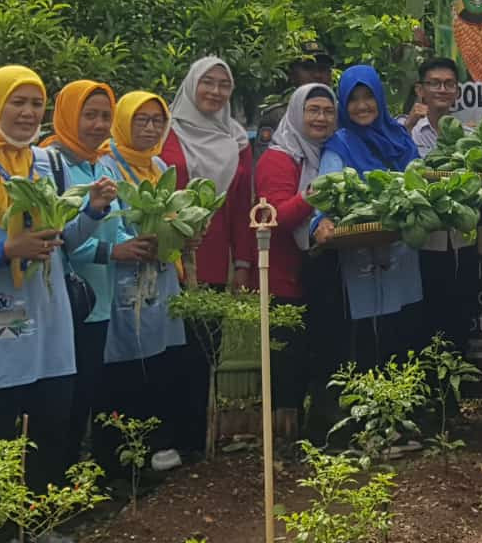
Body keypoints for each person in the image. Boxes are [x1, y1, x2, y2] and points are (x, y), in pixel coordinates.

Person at [0, 66, 115, 499]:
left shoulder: (43, 163)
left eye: (36, 104)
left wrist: (94, 212)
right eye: (18, 102)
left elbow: (63, 241)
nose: (28, 113)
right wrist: (6, 249)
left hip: (50, 314)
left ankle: (43, 516)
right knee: (6, 425)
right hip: (5, 313)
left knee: (52, 418)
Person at [162, 55, 254, 460]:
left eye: (224, 85)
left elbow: (239, 207)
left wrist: (243, 263)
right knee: (165, 353)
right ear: (191, 85)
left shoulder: (236, 140)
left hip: (214, 260)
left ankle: (193, 444)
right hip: (166, 260)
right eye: (207, 83)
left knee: (203, 354)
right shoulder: (165, 131)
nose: (215, 92)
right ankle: (158, 441)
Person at [98, 92, 189, 475]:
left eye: (157, 120)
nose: (151, 127)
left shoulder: (157, 164)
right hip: (123, 282)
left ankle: (153, 453)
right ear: (123, 121)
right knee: (123, 373)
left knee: (159, 365)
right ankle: (117, 464)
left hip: (160, 278)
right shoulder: (107, 164)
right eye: (141, 120)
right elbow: (110, 224)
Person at [318, 64, 424, 367]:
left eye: (368, 96)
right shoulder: (339, 143)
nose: (362, 105)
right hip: (359, 255)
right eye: (353, 99)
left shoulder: (400, 139)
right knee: (367, 340)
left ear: (379, 97)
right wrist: (320, 220)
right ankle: (369, 411)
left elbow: (419, 182)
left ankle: (403, 408)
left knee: (404, 333)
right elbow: (326, 189)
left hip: (402, 253)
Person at [254, 83, 339, 442]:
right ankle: (284, 438)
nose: (320, 118)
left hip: (321, 270)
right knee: (288, 359)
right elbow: (272, 216)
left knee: (321, 351)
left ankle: (318, 432)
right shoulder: (279, 158)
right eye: (313, 110)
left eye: (327, 111)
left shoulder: (329, 154)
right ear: (296, 113)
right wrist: (312, 196)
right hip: (287, 274)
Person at [45, 80, 122, 467]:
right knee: (60, 403)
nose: (97, 124)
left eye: (105, 115)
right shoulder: (49, 163)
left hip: (100, 301)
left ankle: (73, 487)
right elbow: (61, 238)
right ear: (67, 115)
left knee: (84, 399)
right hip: (67, 302)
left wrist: (130, 242)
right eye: (88, 114)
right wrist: (111, 251)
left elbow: (117, 220)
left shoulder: (103, 163)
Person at [400, 57, 478, 358]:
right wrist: (407, 124)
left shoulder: (470, 138)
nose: (442, 89)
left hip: (461, 244)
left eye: (449, 84)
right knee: (421, 322)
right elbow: (393, 166)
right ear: (421, 89)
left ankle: (451, 398)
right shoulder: (405, 132)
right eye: (434, 83)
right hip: (421, 245)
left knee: (459, 321)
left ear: (457, 91)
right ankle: (425, 397)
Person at [254, 41, 335, 153]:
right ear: (292, 75)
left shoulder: (340, 115)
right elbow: (261, 163)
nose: (317, 75)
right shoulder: (277, 116)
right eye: (308, 68)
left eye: (323, 69)